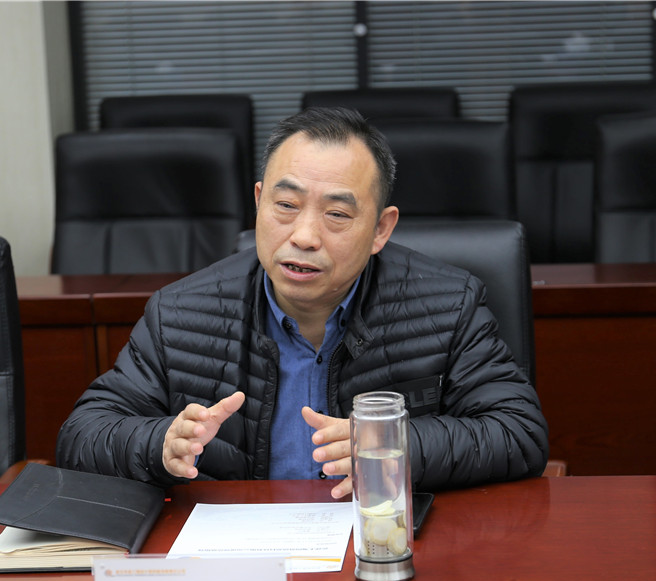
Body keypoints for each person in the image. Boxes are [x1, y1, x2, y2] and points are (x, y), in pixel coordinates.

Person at [56, 107, 548, 498]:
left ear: (381, 229)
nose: (305, 236)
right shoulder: (180, 314)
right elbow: (82, 433)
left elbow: (518, 431)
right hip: (239, 562)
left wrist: (392, 445)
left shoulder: (446, 305)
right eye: (286, 206)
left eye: (337, 214)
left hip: (378, 543)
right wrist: (159, 443)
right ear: (258, 202)